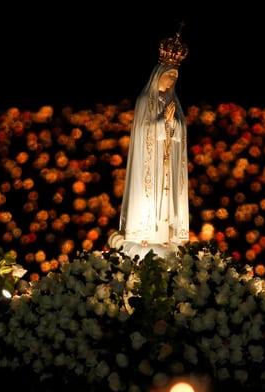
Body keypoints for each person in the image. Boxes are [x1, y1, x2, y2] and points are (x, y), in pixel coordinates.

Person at [116, 25, 190, 259]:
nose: (170, 81)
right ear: (159, 74)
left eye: (174, 77)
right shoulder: (144, 100)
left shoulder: (173, 103)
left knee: (167, 199)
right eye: (168, 75)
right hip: (151, 162)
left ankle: (165, 234)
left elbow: (180, 132)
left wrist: (173, 124)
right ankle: (145, 233)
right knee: (152, 197)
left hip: (167, 162)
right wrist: (161, 122)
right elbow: (142, 132)